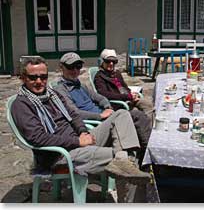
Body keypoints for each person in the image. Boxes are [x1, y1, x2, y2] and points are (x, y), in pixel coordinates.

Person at [11, 56, 150, 202]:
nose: (39, 81)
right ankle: (130, 200)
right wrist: (78, 141)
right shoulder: (22, 104)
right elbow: (38, 138)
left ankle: (121, 160)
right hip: (60, 154)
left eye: (43, 76)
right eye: (33, 77)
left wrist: (83, 132)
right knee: (130, 156)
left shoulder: (52, 95)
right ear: (23, 78)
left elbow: (74, 115)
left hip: (78, 141)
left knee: (122, 114)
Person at [54, 52, 152, 164]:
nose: (75, 70)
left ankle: (146, 154)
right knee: (136, 115)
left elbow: (100, 97)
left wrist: (107, 107)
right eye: (71, 67)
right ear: (61, 67)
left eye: (78, 66)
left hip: (105, 116)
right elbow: (74, 113)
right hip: (94, 123)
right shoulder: (61, 90)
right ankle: (146, 157)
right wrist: (100, 115)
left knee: (138, 115)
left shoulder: (80, 84)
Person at [94, 49, 154, 116]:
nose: (111, 63)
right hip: (117, 103)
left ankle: (151, 125)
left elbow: (124, 87)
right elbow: (104, 94)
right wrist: (127, 97)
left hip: (127, 99)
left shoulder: (116, 73)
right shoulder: (99, 77)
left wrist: (131, 94)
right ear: (102, 62)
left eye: (114, 61)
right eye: (108, 61)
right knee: (137, 112)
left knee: (148, 104)